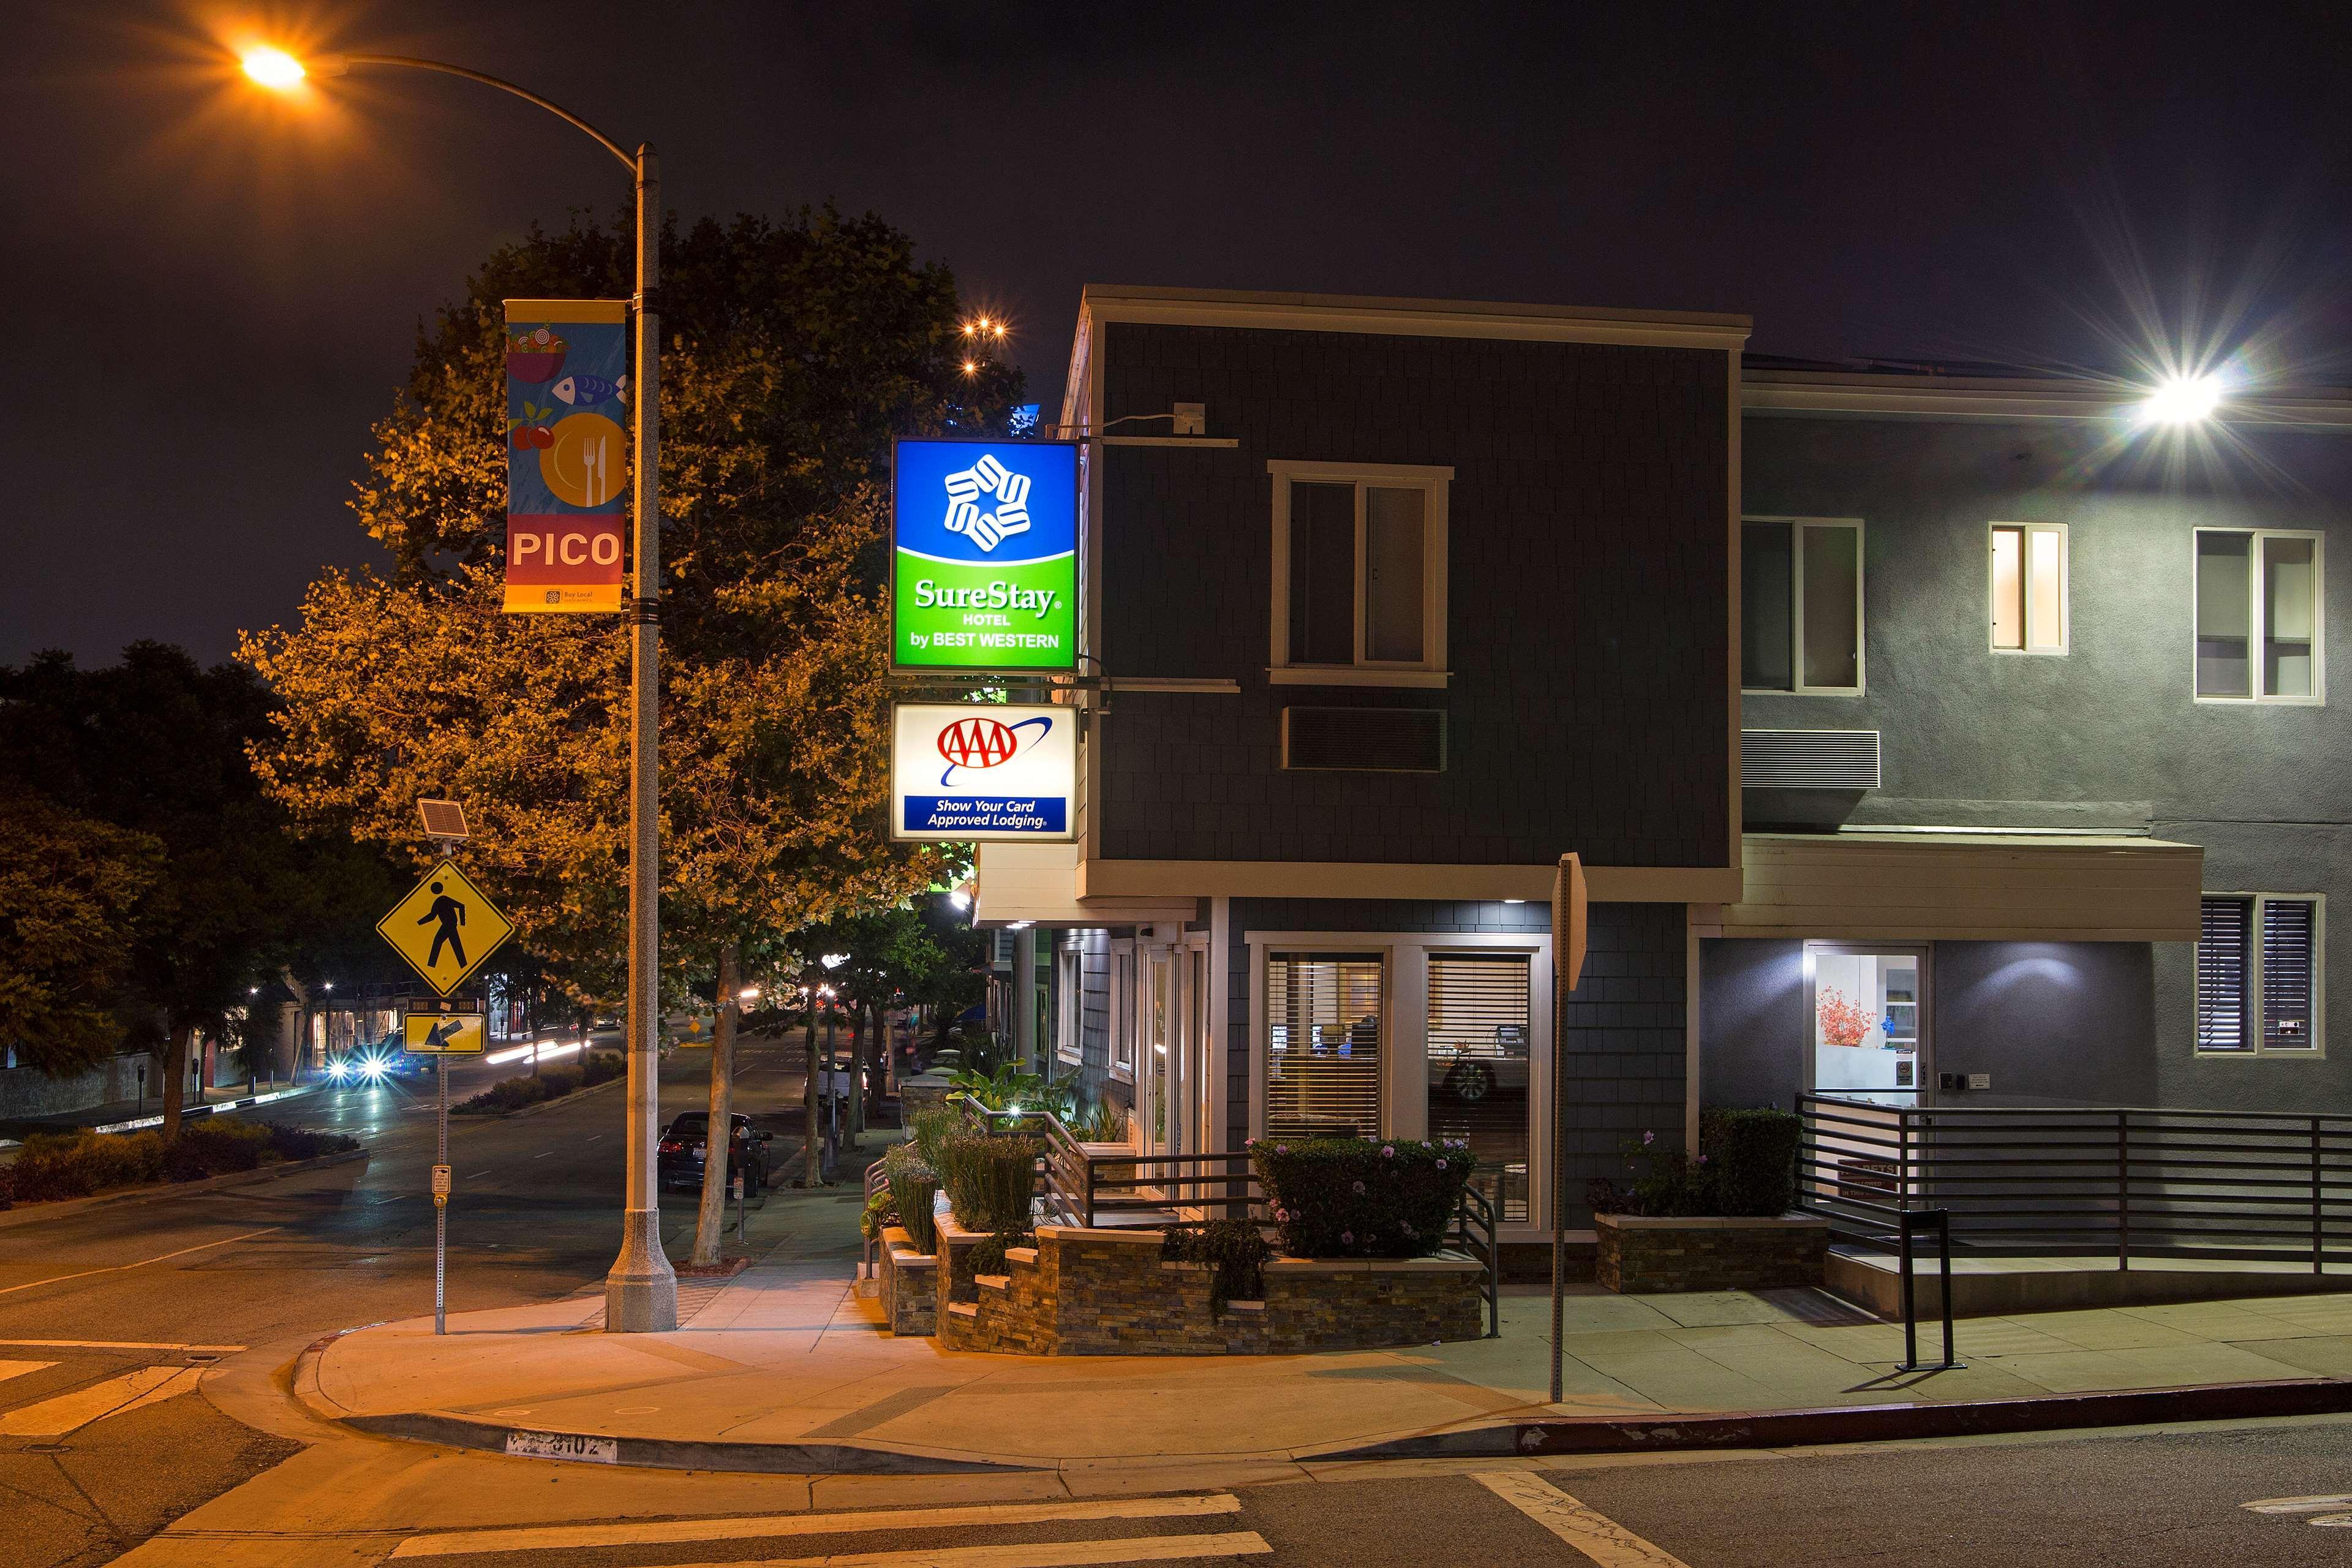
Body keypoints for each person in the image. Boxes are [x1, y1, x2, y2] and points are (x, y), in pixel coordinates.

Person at [420, 881, 467, 969]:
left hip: (450, 924)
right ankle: (463, 965)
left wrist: (463, 924)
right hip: (449, 925)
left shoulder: (443, 899)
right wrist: (419, 923)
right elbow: (432, 917)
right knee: (455, 944)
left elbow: (461, 906)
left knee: (439, 942)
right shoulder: (438, 901)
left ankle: (431, 965)